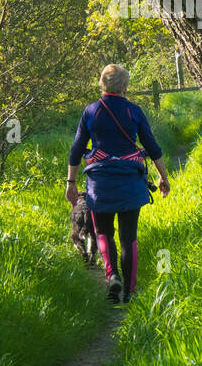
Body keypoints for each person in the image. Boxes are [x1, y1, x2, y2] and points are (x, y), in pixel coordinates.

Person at [65, 64, 170, 303]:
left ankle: (112, 277)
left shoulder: (90, 111)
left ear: (102, 84)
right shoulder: (134, 111)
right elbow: (152, 147)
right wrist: (163, 177)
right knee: (128, 237)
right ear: (125, 86)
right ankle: (130, 292)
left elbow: (76, 150)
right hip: (129, 183)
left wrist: (71, 182)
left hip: (99, 184)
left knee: (103, 233)